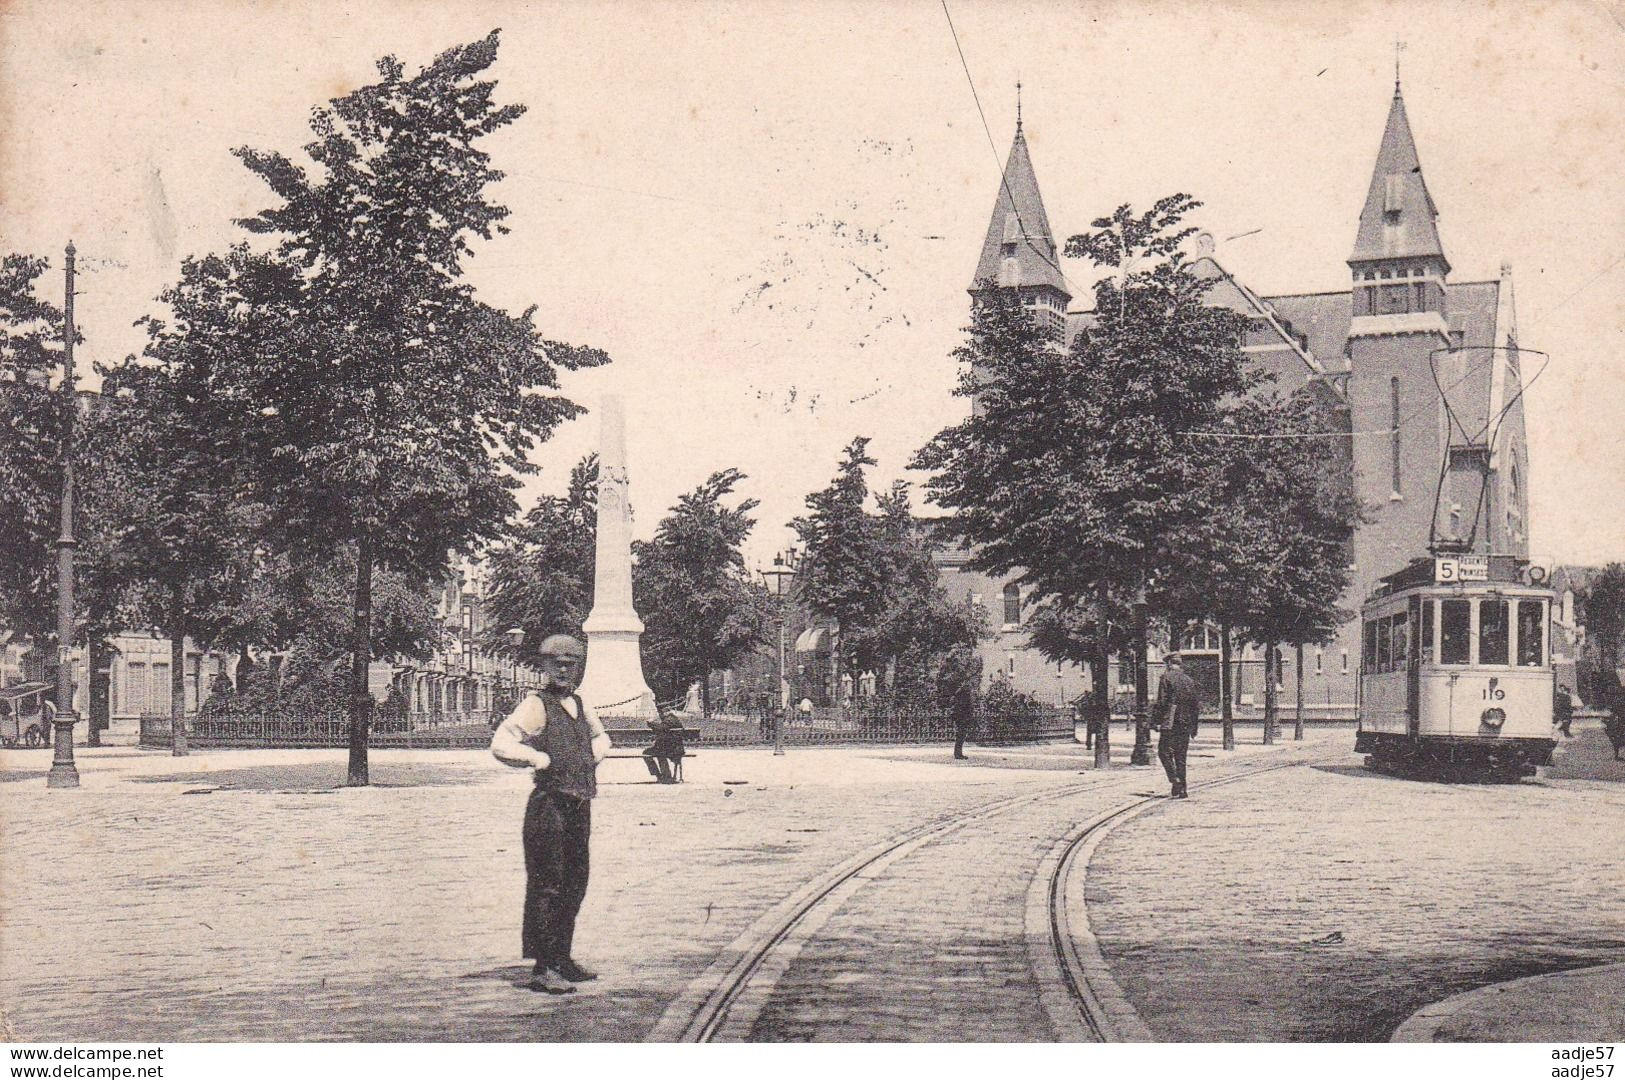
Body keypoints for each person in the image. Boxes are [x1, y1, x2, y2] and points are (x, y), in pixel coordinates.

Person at [490, 634, 610, 994]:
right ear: (542, 666)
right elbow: (502, 742)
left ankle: (563, 957)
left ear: (579, 666)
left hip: (579, 804)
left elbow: (600, 736)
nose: (563, 669)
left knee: (576, 881)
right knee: (548, 883)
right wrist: (535, 758)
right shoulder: (535, 705)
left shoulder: (580, 703)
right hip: (549, 806)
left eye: (570, 663)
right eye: (555, 663)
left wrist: (596, 753)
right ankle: (543, 967)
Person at [1155, 652, 1202, 799]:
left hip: (1171, 722)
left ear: (1169, 664)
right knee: (1181, 756)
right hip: (1186, 722)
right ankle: (1182, 789)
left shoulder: (1166, 678)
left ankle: (1175, 780)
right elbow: (1195, 705)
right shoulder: (1189, 680)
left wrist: (1155, 721)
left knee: (1163, 752)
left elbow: (1162, 702)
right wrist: (1194, 727)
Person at [642, 709, 687, 783]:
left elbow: (661, 728)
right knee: (658, 752)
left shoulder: (669, 720)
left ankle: (663, 776)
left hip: (672, 749)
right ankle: (664, 776)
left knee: (649, 753)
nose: (660, 716)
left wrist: (650, 723)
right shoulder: (674, 719)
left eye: (660, 714)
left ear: (665, 713)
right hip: (676, 748)